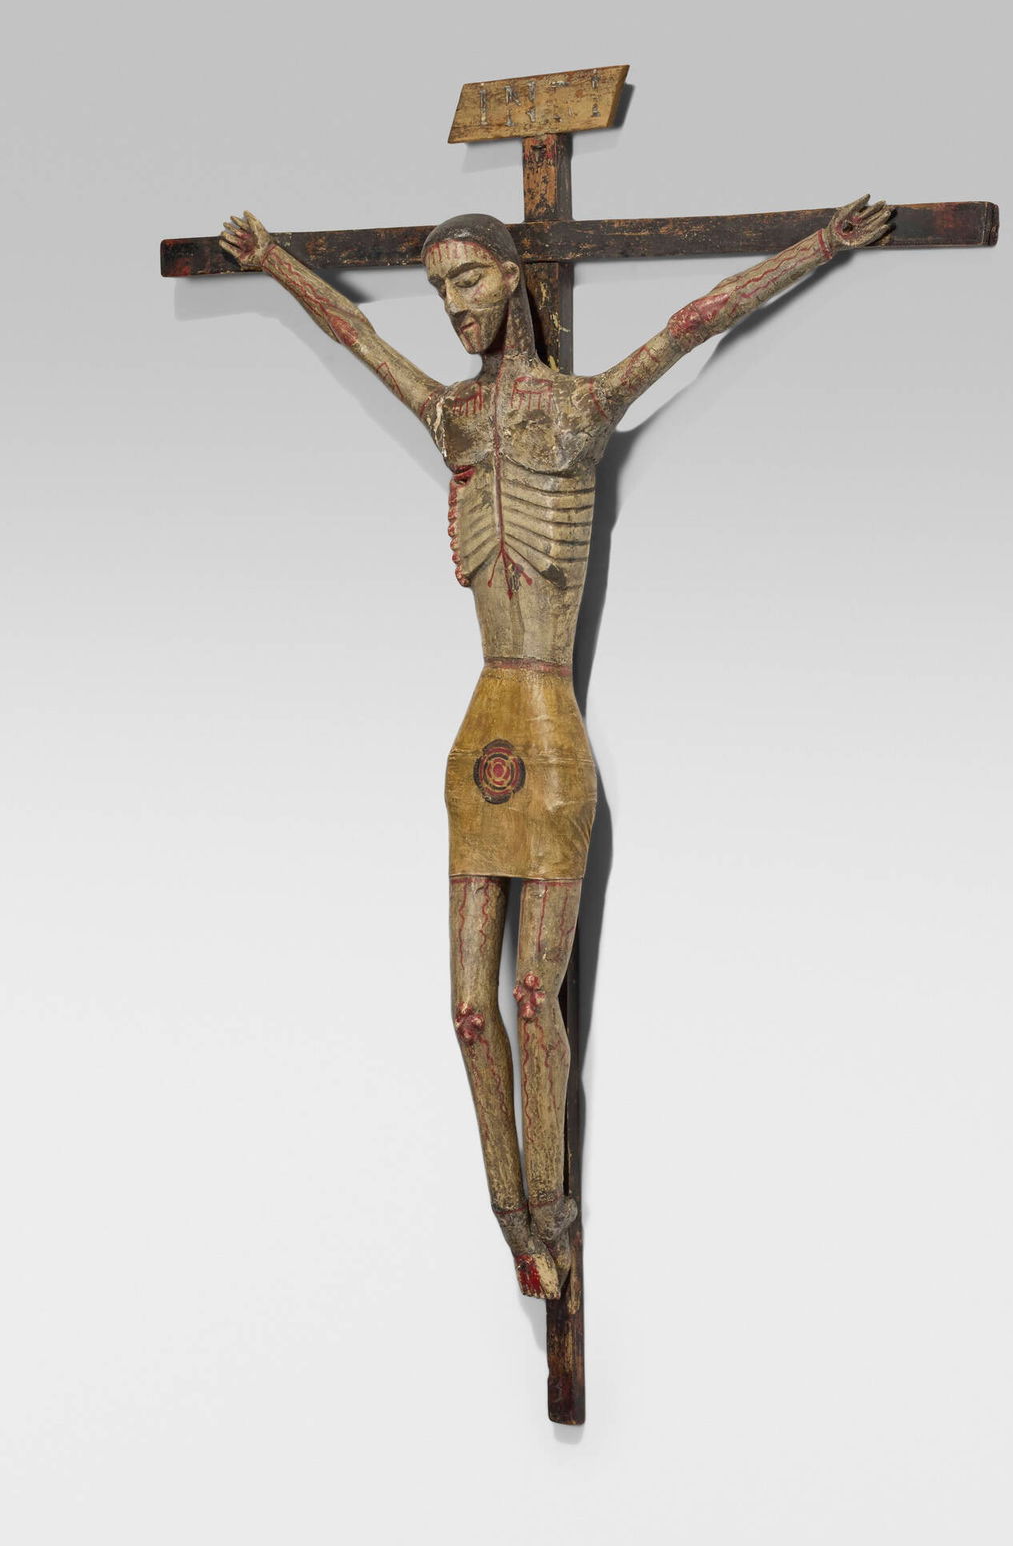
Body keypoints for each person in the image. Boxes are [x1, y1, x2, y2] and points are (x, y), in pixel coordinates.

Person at [219, 195, 894, 1298]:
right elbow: (357, 337)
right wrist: (275, 263)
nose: (452, 307)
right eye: (439, 288)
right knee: (468, 1010)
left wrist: (823, 244)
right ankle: (511, 1218)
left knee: (535, 999)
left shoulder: (579, 411)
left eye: (468, 280)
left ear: (514, 278)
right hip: (480, 732)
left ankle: (556, 1215)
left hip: (549, 725)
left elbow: (696, 322)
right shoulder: (450, 416)